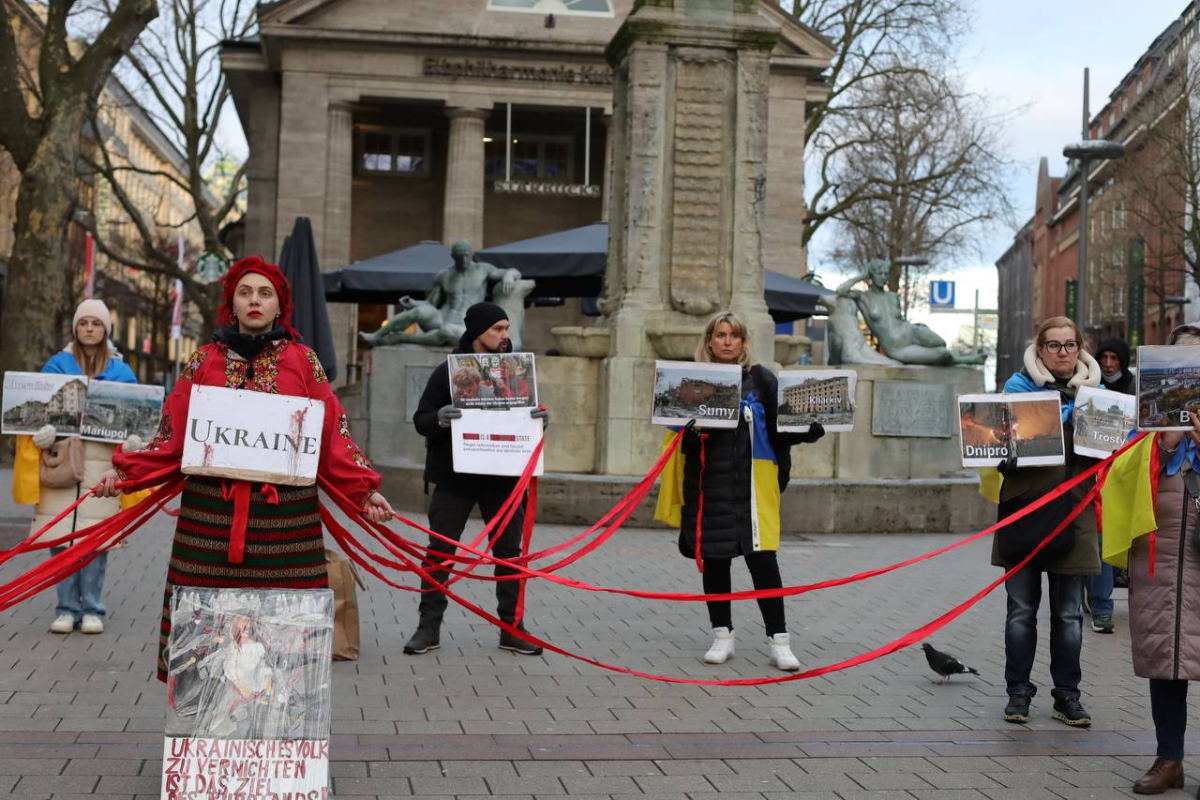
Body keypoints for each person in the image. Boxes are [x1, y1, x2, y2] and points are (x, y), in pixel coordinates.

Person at [94, 256, 393, 681]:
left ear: (279, 306)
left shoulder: (304, 362)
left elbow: (332, 434)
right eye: (246, 293)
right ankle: (201, 733)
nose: (255, 301)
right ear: (232, 304)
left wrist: (364, 489)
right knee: (203, 637)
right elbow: (171, 435)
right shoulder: (203, 361)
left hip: (286, 522)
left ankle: (279, 733)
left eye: (265, 293)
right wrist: (125, 474)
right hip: (210, 520)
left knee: (284, 641)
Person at [660, 312, 824, 672]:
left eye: (734, 335)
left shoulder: (763, 379)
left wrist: (808, 430)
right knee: (716, 561)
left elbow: (782, 428)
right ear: (709, 341)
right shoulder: (691, 381)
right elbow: (678, 439)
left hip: (755, 485)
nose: (727, 341)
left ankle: (779, 642)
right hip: (709, 485)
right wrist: (686, 435)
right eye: (720, 335)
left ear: (744, 342)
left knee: (764, 561)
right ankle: (723, 637)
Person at [406, 302, 548, 656]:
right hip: (455, 476)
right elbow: (420, 418)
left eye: (506, 328)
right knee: (440, 552)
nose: (505, 335)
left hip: (503, 477)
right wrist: (440, 416)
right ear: (477, 331)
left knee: (508, 556)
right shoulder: (448, 372)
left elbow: (525, 419)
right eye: (497, 329)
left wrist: (538, 419)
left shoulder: (517, 372)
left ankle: (511, 629)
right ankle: (428, 628)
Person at [1101, 323, 1200, 794]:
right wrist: (1165, 443)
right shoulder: (1145, 428)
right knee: (1166, 656)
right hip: (1159, 556)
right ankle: (1170, 758)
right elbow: (1115, 478)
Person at [994, 315, 1103, 727]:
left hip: (1074, 514)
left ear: (1080, 348)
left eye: (1069, 345)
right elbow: (995, 451)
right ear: (1039, 350)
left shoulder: (1100, 395)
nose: (1062, 352)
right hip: (1023, 509)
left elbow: (1112, 455)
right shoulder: (1014, 390)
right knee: (1021, 611)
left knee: (1070, 614)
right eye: (1053, 345)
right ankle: (1018, 694)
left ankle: (1067, 697)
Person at [12, 299, 141, 635]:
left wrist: (132, 444)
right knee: (60, 539)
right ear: (75, 328)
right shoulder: (55, 366)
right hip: (62, 464)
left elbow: (139, 421)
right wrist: (41, 436)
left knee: (97, 541)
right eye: (83, 323)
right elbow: (35, 414)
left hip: (103, 468)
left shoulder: (122, 374)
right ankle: (66, 608)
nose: (89, 328)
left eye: (95, 323)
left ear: (105, 330)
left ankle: (93, 608)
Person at [1086, 337, 1136, 634]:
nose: (1107, 363)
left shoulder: (1135, 388)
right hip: (1096, 478)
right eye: (1103, 357)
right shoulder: (1088, 387)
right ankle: (1102, 606)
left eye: (1114, 358)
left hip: (1130, 474)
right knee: (1102, 541)